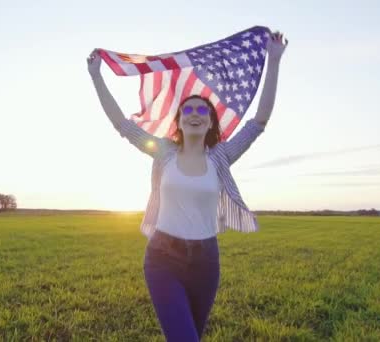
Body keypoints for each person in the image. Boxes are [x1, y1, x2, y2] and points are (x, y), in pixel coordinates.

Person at [87, 31, 287, 341]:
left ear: (210, 122)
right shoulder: (164, 152)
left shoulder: (221, 155)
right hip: (163, 258)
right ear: (179, 122)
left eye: (202, 111)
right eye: (188, 111)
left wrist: (273, 60)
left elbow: (258, 122)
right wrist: (97, 76)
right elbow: (122, 126)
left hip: (207, 261)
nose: (195, 114)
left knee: (193, 333)